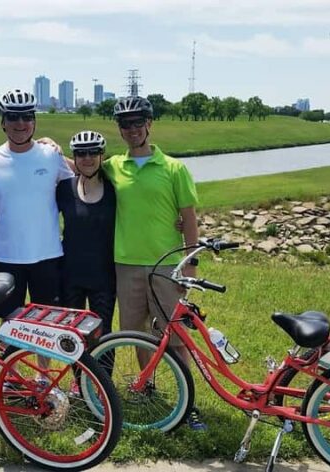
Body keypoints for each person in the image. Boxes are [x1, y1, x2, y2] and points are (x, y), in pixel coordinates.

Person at [101, 96, 204, 429]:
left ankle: (188, 402)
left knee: (174, 335)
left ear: (149, 124)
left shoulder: (174, 168)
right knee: (135, 332)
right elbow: (80, 165)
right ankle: (146, 387)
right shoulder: (113, 166)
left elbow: (188, 217)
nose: (131, 130)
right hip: (126, 263)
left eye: (137, 123)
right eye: (125, 124)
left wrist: (191, 263)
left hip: (166, 264)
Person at [0, 89, 74, 321]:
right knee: (9, 324)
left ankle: (42, 361)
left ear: (34, 121)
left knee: (48, 324)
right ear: (3, 122)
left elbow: (85, 174)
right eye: (13, 117)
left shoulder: (50, 154)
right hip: (7, 256)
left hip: (47, 254)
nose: (20, 123)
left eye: (27, 117)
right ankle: (10, 359)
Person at [56, 131, 116, 341]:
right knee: (72, 335)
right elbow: (39, 213)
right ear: (75, 157)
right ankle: (78, 376)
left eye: (93, 153)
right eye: (81, 154)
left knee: (103, 335)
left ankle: (102, 376)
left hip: (104, 276)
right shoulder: (64, 188)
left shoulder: (114, 190)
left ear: (102, 156)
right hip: (70, 274)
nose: (87, 158)